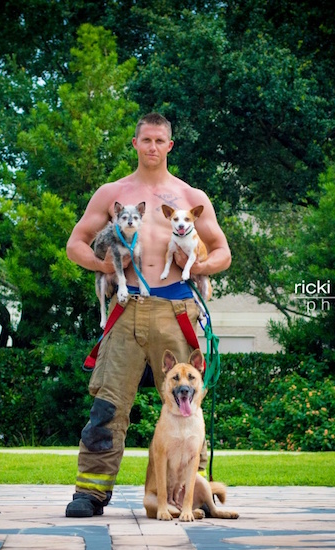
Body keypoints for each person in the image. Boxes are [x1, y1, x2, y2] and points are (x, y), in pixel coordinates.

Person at [64, 112, 232, 517]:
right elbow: (76, 243)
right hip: (126, 307)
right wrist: (103, 266)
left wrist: (200, 267)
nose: (153, 147)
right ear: (135, 144)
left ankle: (193, 494)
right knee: (108, 403)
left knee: (187, 401)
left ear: (170, 146)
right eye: (146, 140)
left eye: (160, 140)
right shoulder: (112, 194)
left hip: (176, 307)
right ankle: (91, 492)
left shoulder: (191, 197)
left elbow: (223, 252)